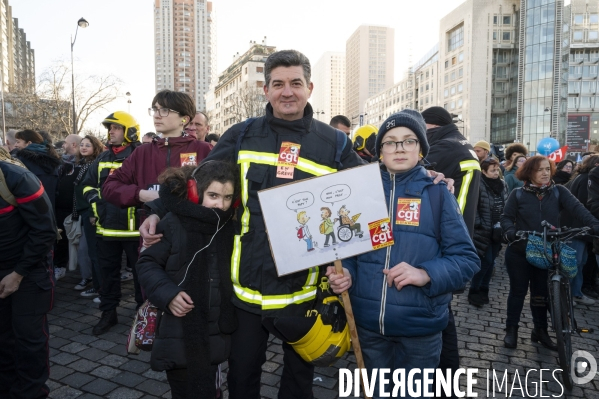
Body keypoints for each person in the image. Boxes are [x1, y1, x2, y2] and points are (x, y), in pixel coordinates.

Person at [139, 50, 451, 399]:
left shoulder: (334, 143)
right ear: (266, 90)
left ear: (309, 87)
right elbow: (198, 181)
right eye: (278, 84)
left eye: (295, 83)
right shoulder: (241, 135)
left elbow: (372, 188)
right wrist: (159, 212)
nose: (287, 92)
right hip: (246, 292)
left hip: (303, 293)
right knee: (242, 380)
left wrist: (423, 176)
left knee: (298, 385)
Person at [327, 110, 479, 398]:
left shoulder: (437, 193)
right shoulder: (361, 192)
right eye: (390, 142)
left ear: (421, 148)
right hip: (368, 326)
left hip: (420, 329)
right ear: (379, 151)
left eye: (408, 141)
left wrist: (425, 274)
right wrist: (345, 271)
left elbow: (467, 259)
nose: (399, 148)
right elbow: (348, 250)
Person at [136, 161, 238, 399]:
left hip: (216, 335)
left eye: (227, 197)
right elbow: (147, 264)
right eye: (212, 195)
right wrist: (168, 295)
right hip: (178, 329)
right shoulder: (172, 222)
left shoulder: (229, 225)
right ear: (195, 191)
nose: (219, 204)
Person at [500, 156, 599, 350]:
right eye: (540, 170)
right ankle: (511, 329)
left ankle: (540, 331)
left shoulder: (559, 191)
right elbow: (506, 217)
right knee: (518, 292)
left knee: (541, 294)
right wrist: (510, 231)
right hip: (520, 250)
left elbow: (579, 210)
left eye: (548, 169)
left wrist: (595, 224)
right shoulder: (518, 194)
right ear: (529, 172)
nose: (545, 173)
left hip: (546, 251)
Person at [421, 105, 480, 393]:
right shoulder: (463, 145)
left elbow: (407, 174)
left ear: (429, 127)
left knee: (440, 314)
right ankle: (447, 377)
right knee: (443, 312)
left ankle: (444, 378)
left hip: (440, 239)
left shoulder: (442, 148)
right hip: (458, 233)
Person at [82, 111, 144, 335]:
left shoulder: (140, 155)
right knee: (107, 274)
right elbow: (88, 186)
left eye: (116, 128)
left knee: (142, 276)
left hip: (136, 230)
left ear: (129, 131)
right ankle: (109, 314)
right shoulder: (102, 158)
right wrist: (96, 204)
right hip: (106, 228)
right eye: (110, 128)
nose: (111, 132)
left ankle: (142, 317)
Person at [0, 159, 57, 399]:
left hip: (29, 273)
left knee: (28, 340)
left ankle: (32, 393)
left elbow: (46, 231)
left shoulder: (16, 178)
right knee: (3, 339)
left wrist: (18, 273)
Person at [561, 155, 599, 306]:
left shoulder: (582, 177)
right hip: (577, 227)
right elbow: (584, 206)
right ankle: (568, 293)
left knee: (580, 261)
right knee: (574, 262)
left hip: (580, 227)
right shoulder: (585, 180)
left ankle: (576, 292)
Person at [469, 158, 508, 307]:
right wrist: (479, 224)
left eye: (497, 169)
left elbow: (506, 202)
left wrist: (504, 223)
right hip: (482, 230)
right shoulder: (478, 184)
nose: (496, 172)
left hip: (497, 229)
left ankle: (484, 289)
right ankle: (474, 290)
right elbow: (474, 207)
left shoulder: (502, 184)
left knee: (491, 262)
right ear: (484, 171)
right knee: (486, 261)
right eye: (492, 170)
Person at [73, 135, 104, 293]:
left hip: (92, 212)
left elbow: (96, 191)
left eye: (88, 145)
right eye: (82, 145)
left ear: (96, 147)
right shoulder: (83, 164)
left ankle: (100, 289)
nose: (83, 147)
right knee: (89, 251)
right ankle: (98, 286)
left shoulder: (94, 165)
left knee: (95, 252)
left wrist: (93, 212)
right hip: (84, 212)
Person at [13, 129, 61, 211]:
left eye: (18, 142)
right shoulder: (53, 159)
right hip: (48, 209)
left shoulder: (21, 160)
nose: (15, 145)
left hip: (28, 209)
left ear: (29, 143)